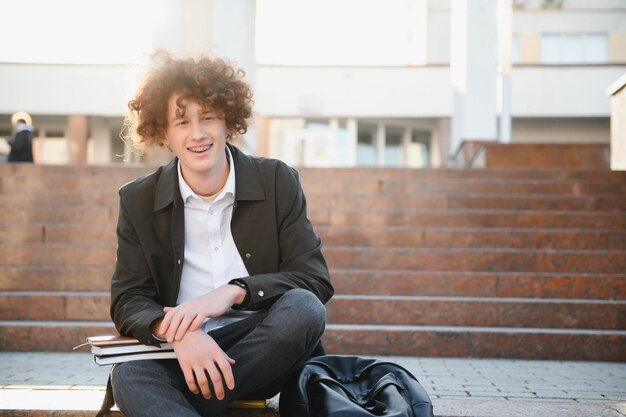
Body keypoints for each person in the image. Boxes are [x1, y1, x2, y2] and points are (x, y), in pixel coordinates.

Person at [107, 52, 333, 417]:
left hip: (262, 351)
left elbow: (314, 279)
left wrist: (233, 292)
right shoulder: (138, 199)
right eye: (181, 122)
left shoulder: (276, 180)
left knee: (304, 309)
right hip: (182, 355)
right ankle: (197, 396)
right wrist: (178, 333)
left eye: (208, 118)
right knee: (129, 376)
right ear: (163, 132)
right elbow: (128, 298)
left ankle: (184, 401)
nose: (197, 134)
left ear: (228, 122)